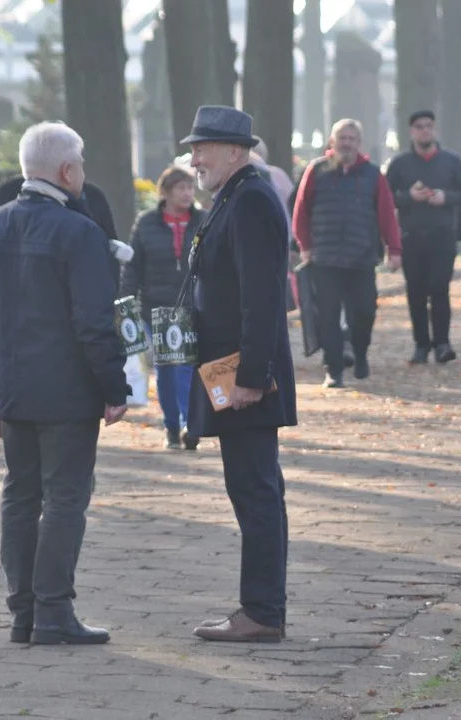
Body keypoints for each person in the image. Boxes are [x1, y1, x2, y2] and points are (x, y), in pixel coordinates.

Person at [0, 122, 130, 646]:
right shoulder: (80, 233)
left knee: (20, 496)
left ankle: (23, 614)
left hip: (16, 389)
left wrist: (0, 378)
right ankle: (53, 612)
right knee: (65, 498)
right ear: (66, 170)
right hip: (67, 392)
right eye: (80, 163)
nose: (83, 172)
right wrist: (114, 386)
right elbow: (93, 322)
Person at [181, 106, 297, 643]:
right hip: (229, 370)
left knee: (254, 491)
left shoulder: (249, 198)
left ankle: (261, 612)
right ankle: (262, 608)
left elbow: (262, 294)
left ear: (235, 151)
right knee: (254, 489)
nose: (194, 157)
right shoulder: (234, 194)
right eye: (193, 148)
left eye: (203, 147)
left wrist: (253, 374)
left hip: (243, 377)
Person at [292, 118, 402, 388]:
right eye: (342, 138)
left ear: (359, 143)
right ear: (333, 141)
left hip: (361, 257)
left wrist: (394, 249)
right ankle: (334, 369)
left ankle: (360, 352)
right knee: (327, 316)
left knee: (364, 312)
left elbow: (387, 214)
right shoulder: (316, 171)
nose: (346, 143)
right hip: (324, 257)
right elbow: (300, 212)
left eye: (352, 139)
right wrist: (304, 246)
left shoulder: (373, 175)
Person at [120, 166, 204, 449]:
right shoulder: (146, 224)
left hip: (193, 308)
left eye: (190, 188)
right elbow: (133, 267)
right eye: (181, 188)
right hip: (158, 309)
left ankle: (188, 422)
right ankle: (172, 425)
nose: (187, 193)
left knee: (187, 368)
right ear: (165, 192)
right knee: (166, 371)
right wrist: (125, 302)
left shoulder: (203, 221)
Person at [0, 175, 128, 307]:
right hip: (14, 302)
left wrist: (111, 295)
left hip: (80, 302)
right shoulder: (8, 192)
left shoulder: (93, 196)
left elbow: (109, 247)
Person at [386, 110, 461, 364]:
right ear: (412, 131)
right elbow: (385, 197)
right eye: (419, 127)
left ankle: (442, 343)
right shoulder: (400, 164)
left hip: (442, 236)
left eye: (429, 126)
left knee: (439, 290)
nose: (425, 131)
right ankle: (421, 344)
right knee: (415, 293)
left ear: (435, 130)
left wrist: (446, 198)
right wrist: (408, 197)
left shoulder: (451, 161)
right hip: (411, 237)